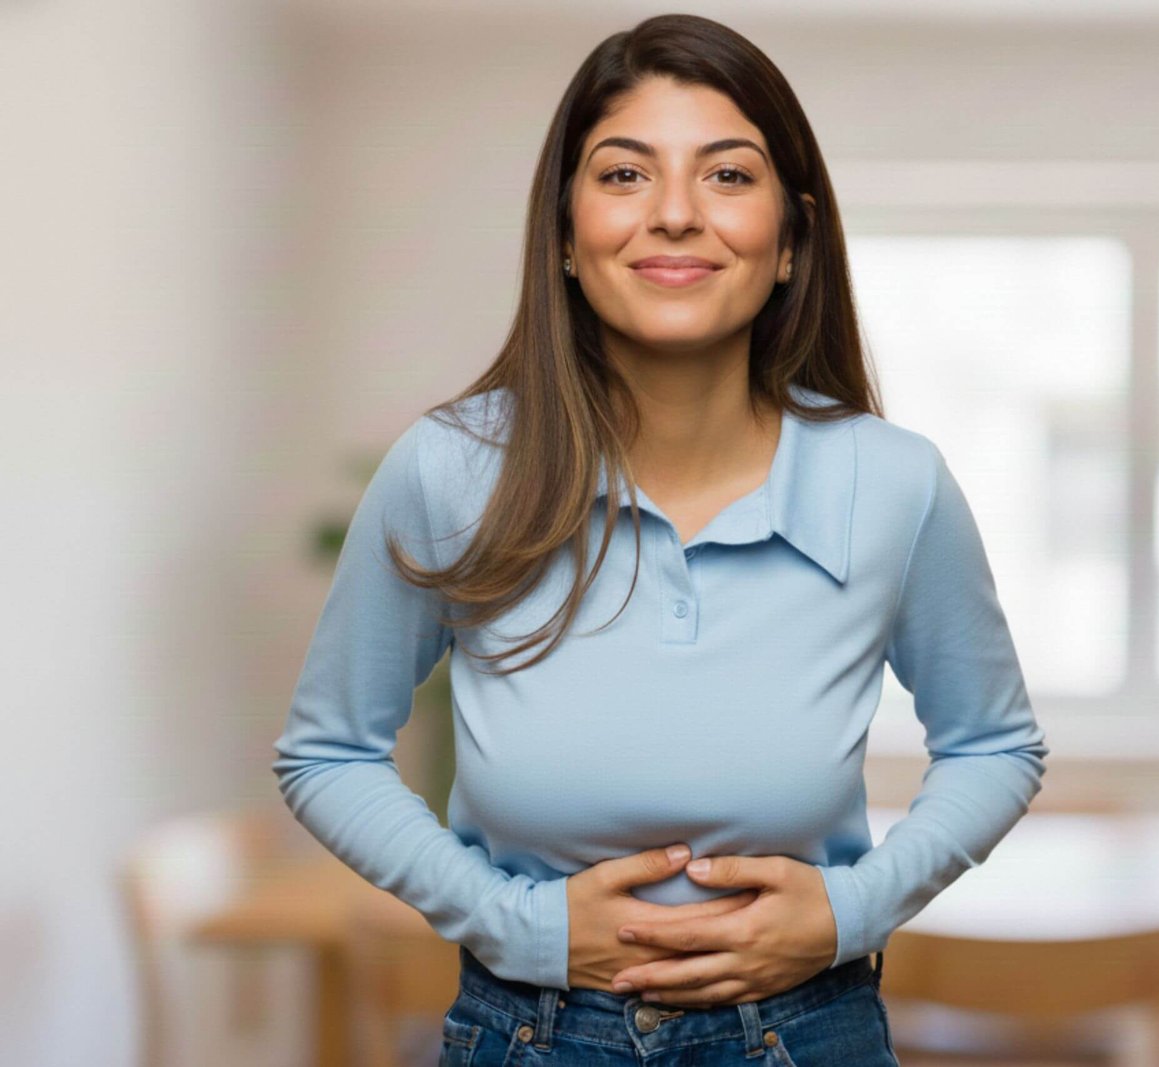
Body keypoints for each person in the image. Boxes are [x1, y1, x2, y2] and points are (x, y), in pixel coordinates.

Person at [272, 13, 1049, 1066]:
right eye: (625, 175)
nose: (675, 215)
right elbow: (327, 752)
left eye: (727, 176)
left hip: (808, 1032)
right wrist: (517, 922)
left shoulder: (894, 481)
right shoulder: (450, 467)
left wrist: (850, 909)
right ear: (563, 231)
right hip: (524, 1032)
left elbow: (995, 744)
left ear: (790, 241)